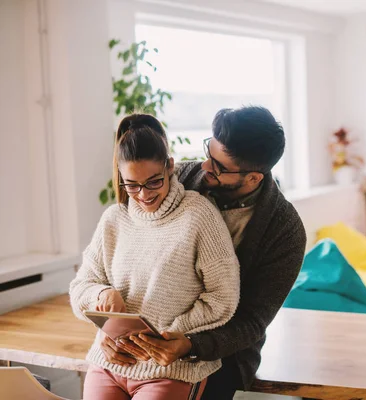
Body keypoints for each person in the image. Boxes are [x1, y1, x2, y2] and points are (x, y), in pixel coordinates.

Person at [102, 106, 307, 399]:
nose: (205, 166)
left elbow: (252, 322)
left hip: (222, 353)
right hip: (144, 337)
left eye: (219, 167)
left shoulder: (285, 231)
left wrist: (190, 345)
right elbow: (126, 251)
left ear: (253, 179)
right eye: (208, 151)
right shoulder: (178, 178)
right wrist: (110, 330)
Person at [69, 113, 240, 400]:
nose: (143, 195)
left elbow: (223, 298)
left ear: (170, 167)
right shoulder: (113, 219)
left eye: (153, 182)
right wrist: (102, 295)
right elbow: (79, 289)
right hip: (109, 361)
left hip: (171, 368)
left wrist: (167, 336)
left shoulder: (198, 215)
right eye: (131, 185)